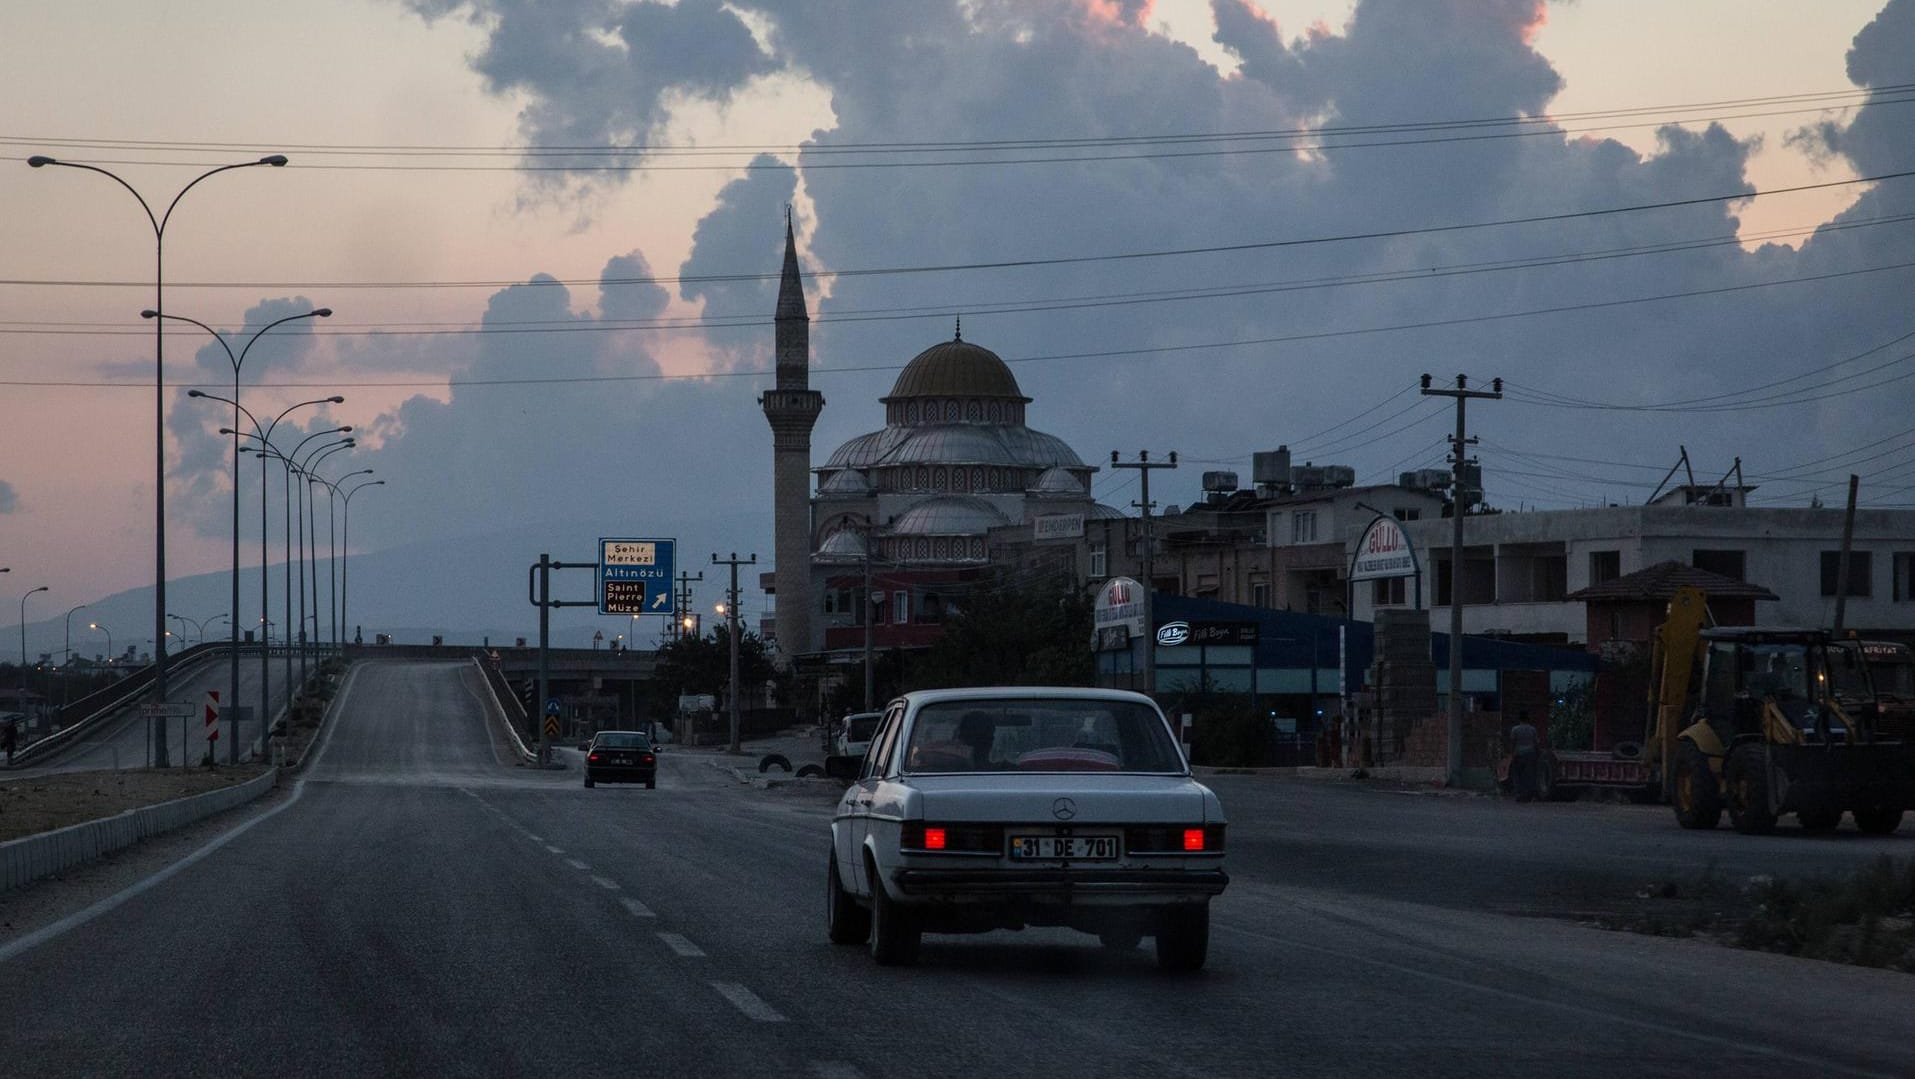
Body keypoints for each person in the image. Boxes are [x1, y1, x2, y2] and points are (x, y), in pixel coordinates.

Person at [1509, 710, 1540, 802]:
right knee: (1529, 775)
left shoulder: (1515, 729)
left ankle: (1519, 794)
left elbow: (1513, 743)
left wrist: (1512, 754)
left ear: (1519, 719)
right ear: (1528, 719)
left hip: (1518, 754)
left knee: (1518, 775)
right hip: (1530, 754)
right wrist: (1538, 753)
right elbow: (1535, 743)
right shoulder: (1532, 729)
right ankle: (1528, 795)